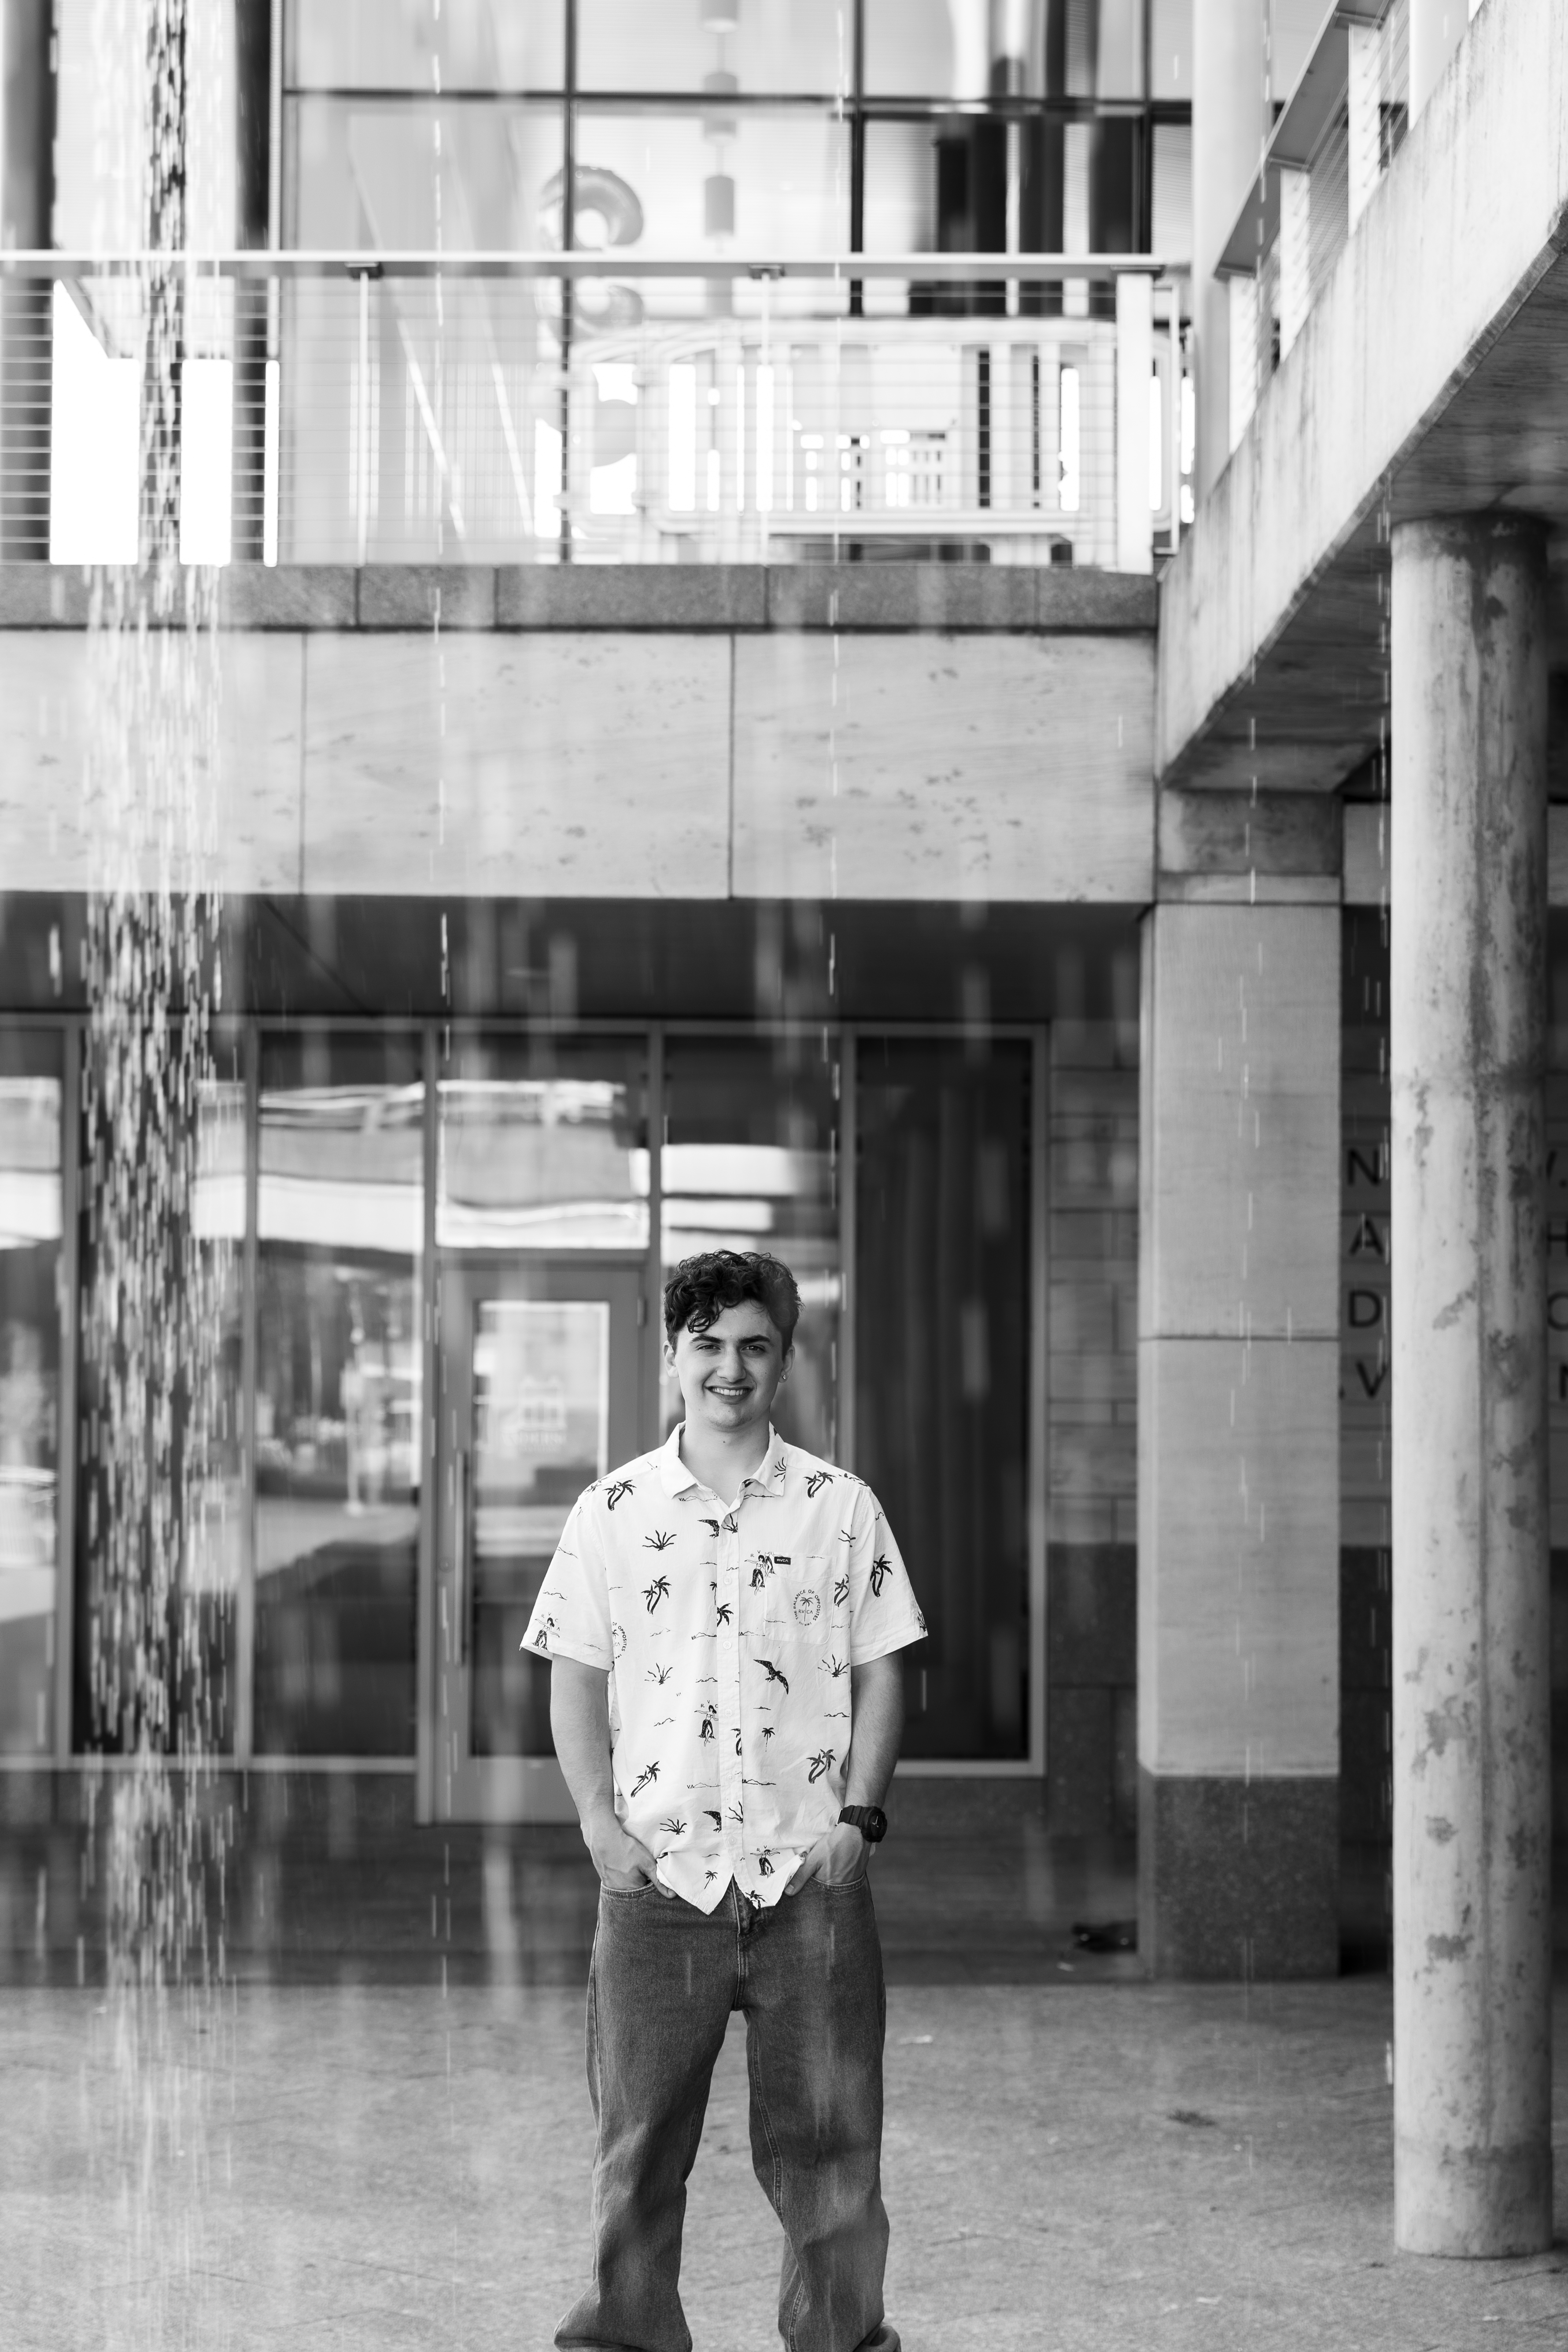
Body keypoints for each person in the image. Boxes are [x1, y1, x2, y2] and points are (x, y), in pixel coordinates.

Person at [523, 1247, 926, 2352]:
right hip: (659, 1889)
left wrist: (860, 1822)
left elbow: (887, 1664)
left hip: (810, 1886)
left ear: (785, 1361)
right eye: (706, 1343)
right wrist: (599, 1827)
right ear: (671, 1355)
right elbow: (575, 1670)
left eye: (753, 1345)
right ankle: (625, 2340)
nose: (729, 1367)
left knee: (833, 2164)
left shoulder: (839, 1510)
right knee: (637, 2157)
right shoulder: (609, 1512)